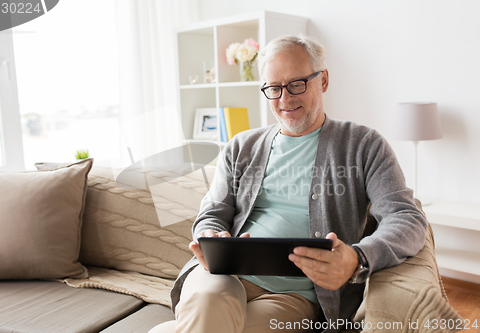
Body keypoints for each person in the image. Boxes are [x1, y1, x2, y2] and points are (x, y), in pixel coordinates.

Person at [151, 35, 428, 333]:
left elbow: (407, 219)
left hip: (296, 296)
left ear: (323, 80)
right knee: (208, 302)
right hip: (224, 276)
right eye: (273, 88)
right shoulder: (240, 146)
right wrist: (211, 236)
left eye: (297, 84)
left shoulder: (363, 145)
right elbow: (212, 213)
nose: (285, 99)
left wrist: (357, 258)